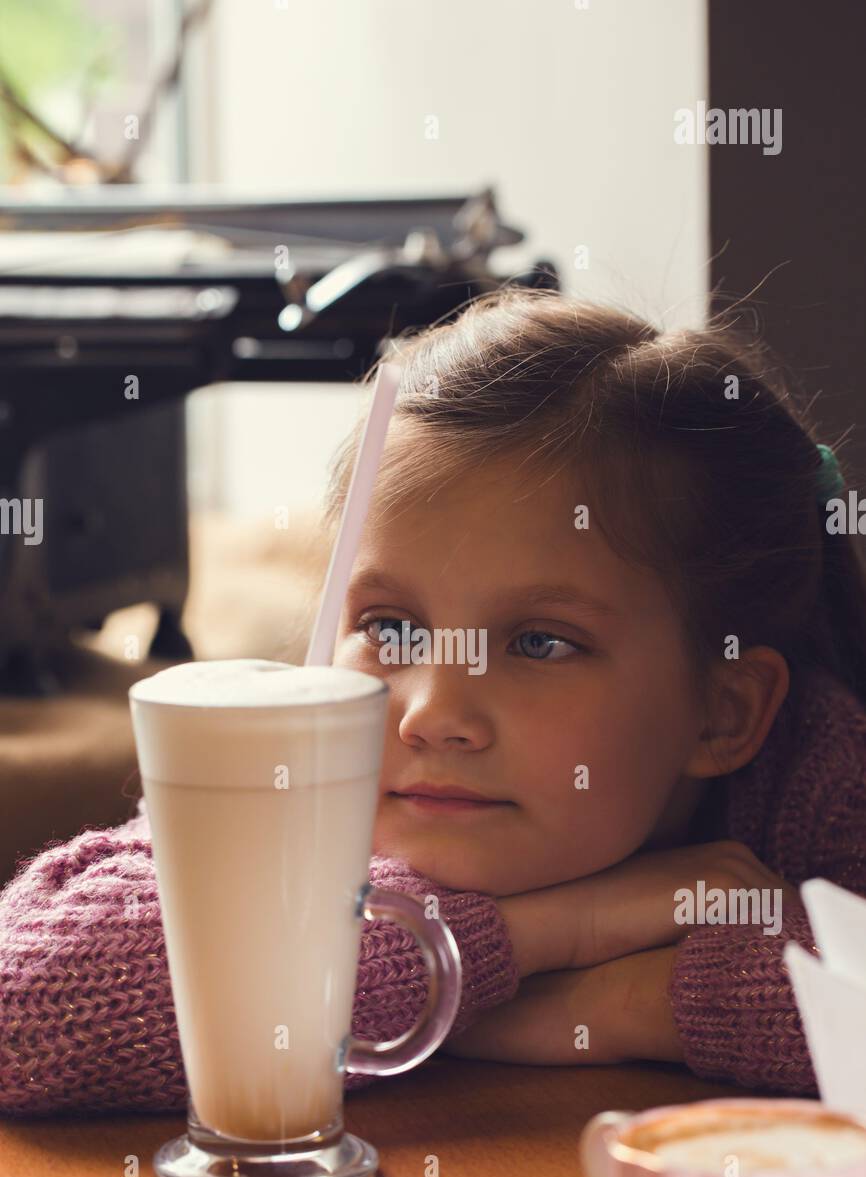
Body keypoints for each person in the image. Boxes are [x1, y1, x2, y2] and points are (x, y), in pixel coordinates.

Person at [3, 286, 866, 1117]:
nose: (429, 713)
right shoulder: (295, 759)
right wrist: (544, 934)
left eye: (539, 642)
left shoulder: (821, 774)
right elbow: (25, 1005)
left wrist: (639, 1002)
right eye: (392, 627)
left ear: (725, 713)